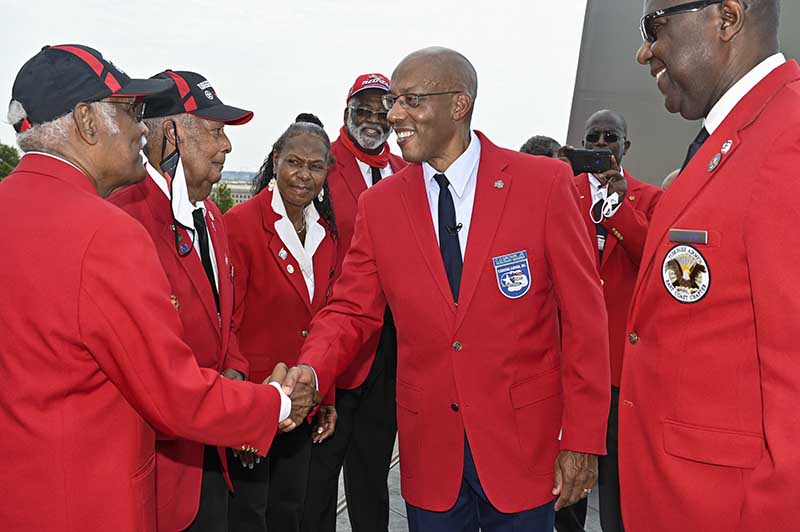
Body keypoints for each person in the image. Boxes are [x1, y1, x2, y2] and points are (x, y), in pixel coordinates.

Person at [281, 46, 610, 532]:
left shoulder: (542, 185)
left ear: (459, 105)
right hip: (431, 453)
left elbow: (585, 320)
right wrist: (311, 366)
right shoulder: (382, 205)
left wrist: (582, 439)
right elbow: (352, 309)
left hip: (522, 450)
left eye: (410, 101)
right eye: (394, 101)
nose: (394, 115)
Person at [0, 44, 316, 532]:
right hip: (90, 504)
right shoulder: (107, 231)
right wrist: (274, 403)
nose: (139, 129)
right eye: (128, 111)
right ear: (85, 121)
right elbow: (171, 392)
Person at [621, 1, 798, 530]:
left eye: (655, 26)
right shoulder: (737, 135)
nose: (644, 50)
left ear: (726, 17)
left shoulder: (788, 140)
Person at [109, 69, 256, 532]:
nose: (227, 146)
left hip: (213, 455)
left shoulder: (212, 215)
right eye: (214, 131)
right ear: (170, 133)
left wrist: (234, 375)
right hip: (160, 472)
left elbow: (226, 321)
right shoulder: (122, 217)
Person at [302, 73, 406, 532]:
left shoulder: (406, 170)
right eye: (361, 110)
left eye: (380, 110)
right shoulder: (325, 164)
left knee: (372, 469)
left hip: (392, 346)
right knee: (322, 471)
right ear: (346, 112)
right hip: (341, 338)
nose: (371, 119)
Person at [225, 119, 338, 532]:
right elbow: (228, 324)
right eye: (293, 162)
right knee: (248, 516)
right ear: (275, 161)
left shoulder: (329, 233)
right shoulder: (239, 224)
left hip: (301, 403)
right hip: (255, 401)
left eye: (315, 166)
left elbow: (329, 320)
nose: (304, 175)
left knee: (290, 512)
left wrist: (327, 394)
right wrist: (240, 412)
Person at [571, 109, 662, 532]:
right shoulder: (562, 193)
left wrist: (620, 206)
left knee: (616, 487)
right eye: (594, 138)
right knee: (564, 480)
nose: (602, 144)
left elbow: (651, 260)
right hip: (568, 361)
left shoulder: (649, 198)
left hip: (618, 368)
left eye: (611, 137)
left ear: (626, 147)